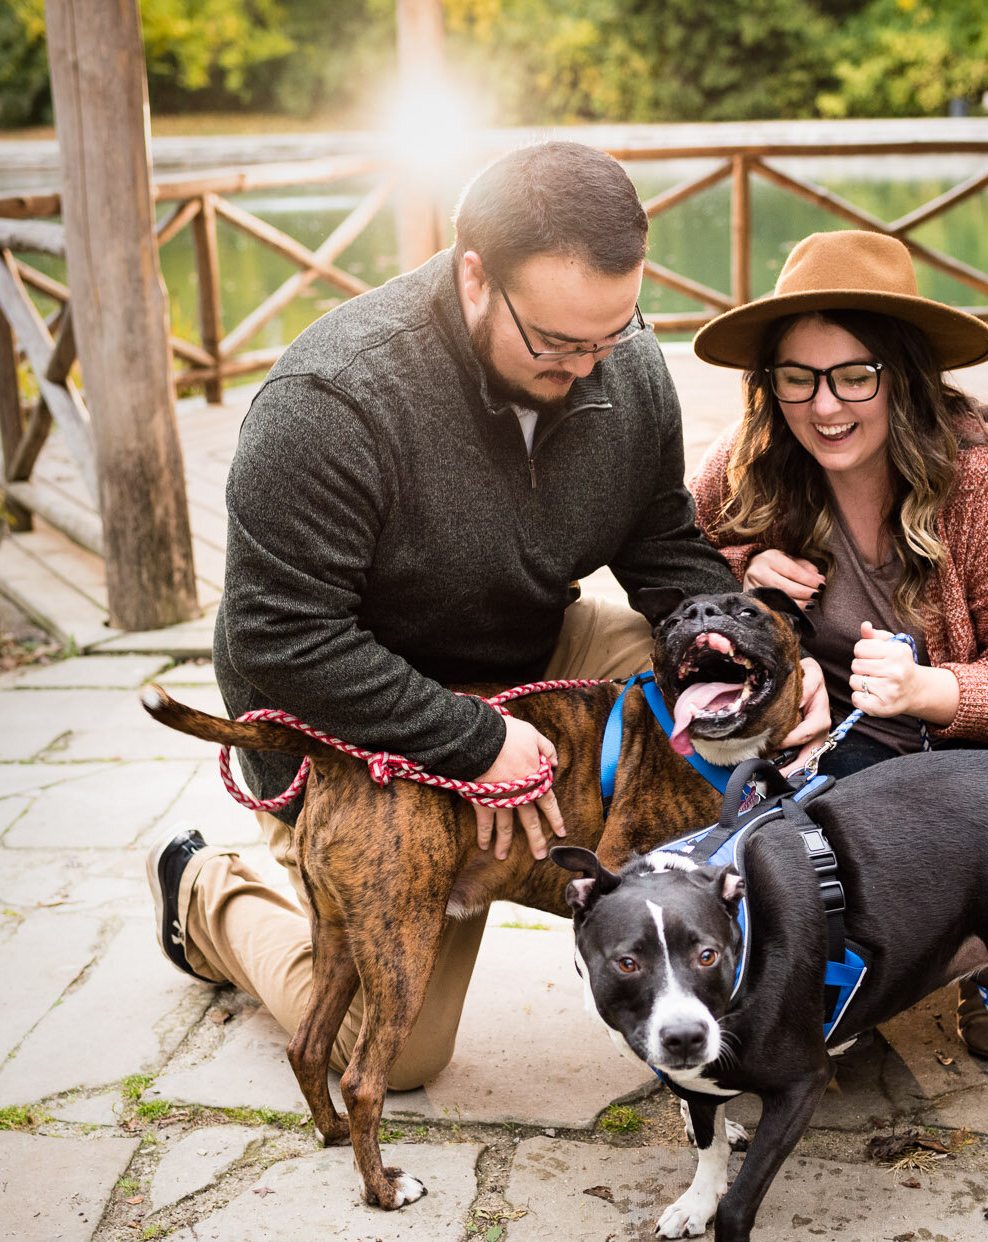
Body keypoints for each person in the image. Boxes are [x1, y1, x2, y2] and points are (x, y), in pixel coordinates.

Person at [145, 142, 824, 1091]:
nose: (592, 369)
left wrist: (759, 667)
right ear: (475, 276)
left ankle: (699, 908)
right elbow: (281, 638)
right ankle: (209, 893)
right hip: (347, 722)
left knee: (695, 692)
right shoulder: (330, 402)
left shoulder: (615, 356)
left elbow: (664, 543)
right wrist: (470, 742)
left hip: (533, 647)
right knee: (403, 1054)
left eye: (613, 335)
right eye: (557, 344)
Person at [687, 229, 988, 1058]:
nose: (824, 405)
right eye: (797, 377)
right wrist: (742, 569)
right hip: (832, 754)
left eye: (855, 375)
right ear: (767, 382)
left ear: (904, 375)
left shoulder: (982, 479)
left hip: (982, 769)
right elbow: (668, 549)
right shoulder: (753, 456)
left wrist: (930, 690)